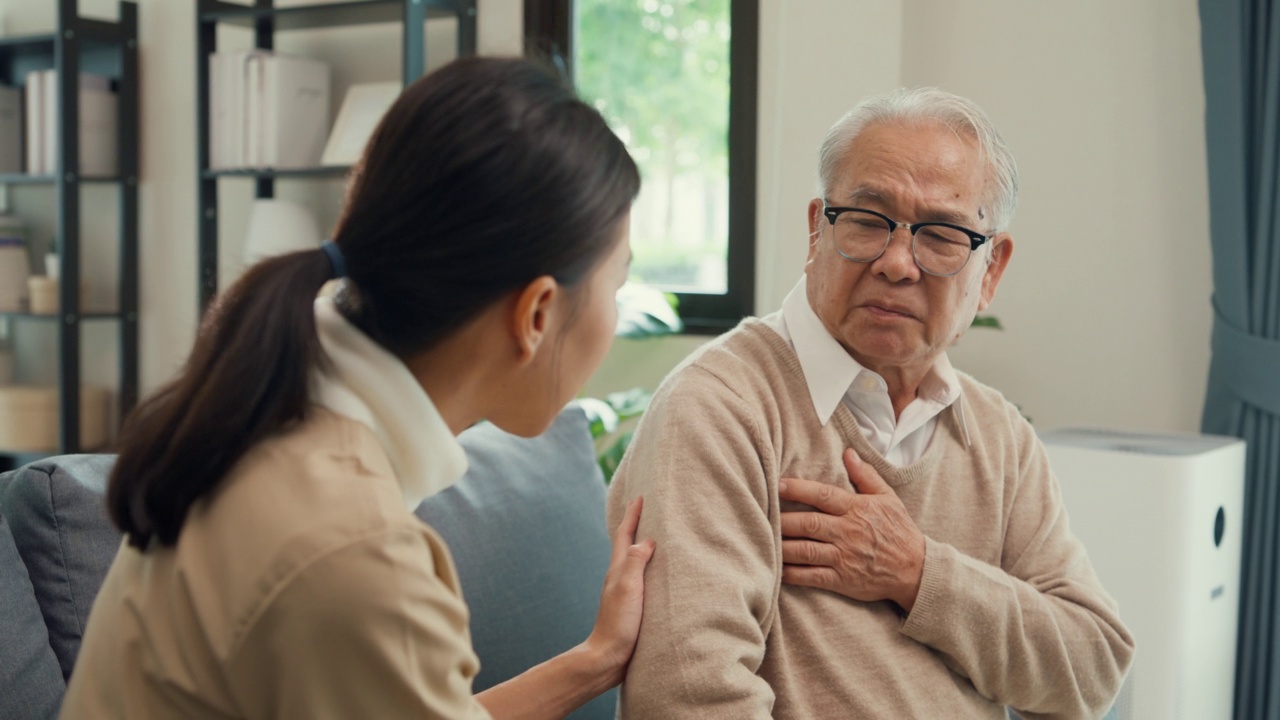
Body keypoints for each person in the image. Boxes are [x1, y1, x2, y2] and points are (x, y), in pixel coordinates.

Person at [61, 56, 655, 720]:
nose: (616, 313)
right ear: (537, 315)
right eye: (617, 285)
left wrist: (596, 660)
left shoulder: (275, 413)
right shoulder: (354, 552)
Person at [606, 87, 1135, 719]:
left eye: (940, 234)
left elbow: (1090, 672)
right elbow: (689, 700)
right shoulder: (721, 408)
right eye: (867, 220)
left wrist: (920, 575)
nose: (896, 262)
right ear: (815, 231)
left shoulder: (999, 436)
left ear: (990, 271)